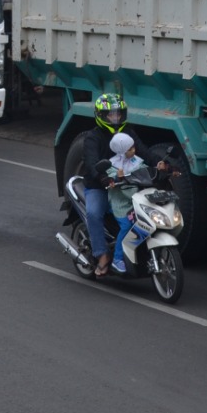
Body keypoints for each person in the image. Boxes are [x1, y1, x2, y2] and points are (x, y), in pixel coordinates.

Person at [76, 93, 166, 278]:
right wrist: (103, 178)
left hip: (126, 184)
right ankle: (101, 255)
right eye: (111, 115)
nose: (116, 118)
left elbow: (143, 152)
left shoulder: (128, 133)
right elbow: (92, 163)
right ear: (101, 116)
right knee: (94, 213)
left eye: (118, 114)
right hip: (100, 186)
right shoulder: (93, 138)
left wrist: (160, 163)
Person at [105, 131, 145, 274]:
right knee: (127, 226)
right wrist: (117, 177)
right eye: (130, 149)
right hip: (120, 202)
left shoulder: (136, 161)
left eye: (133, 147)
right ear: (121, 152)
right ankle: (118, 258)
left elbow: (145, 171)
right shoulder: (113, 165)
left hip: (137, 199)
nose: (133, 150)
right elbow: (109, 178)